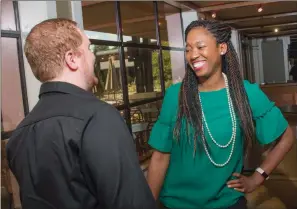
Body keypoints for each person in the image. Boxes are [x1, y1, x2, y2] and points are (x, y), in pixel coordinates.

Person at [6, 18, 157, 209]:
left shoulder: (18, 136)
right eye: (88, 49)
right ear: (72, 59)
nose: (93, 57)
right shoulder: (99, 118)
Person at [147, 20, 295, 209]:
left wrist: (257, 177)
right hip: (175, 204)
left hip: (227, 204)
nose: (193, 55)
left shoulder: (246, 93)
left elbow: (286, 137)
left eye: (200, 46)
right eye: (188, 49)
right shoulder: (176, 95)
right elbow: (160, 157)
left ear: (222, 48)